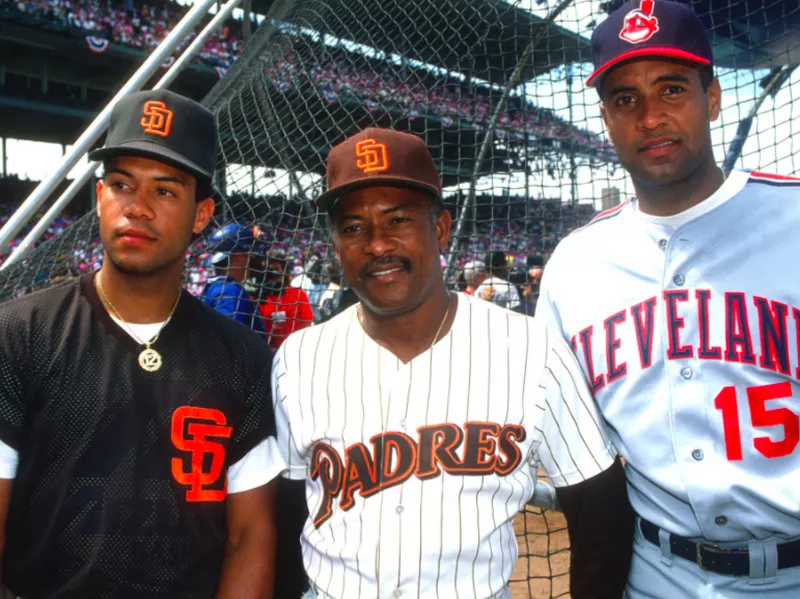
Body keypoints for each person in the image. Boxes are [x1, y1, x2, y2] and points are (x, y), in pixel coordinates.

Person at [271, 127, 634, 599]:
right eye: (354, 227)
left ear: (439, 228)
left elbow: (599, 509)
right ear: (337, 245)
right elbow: (280, 519)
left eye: (397, 220)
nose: (377, 244)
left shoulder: (529, 349)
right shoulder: (297, 360)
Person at [537, 1, 800, 597]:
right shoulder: (575, 266)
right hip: (656, 573)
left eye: (672, 89)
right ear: (606, 118)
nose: (650, 116)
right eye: (625, 99)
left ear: (712, 98)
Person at [0, 90, 283, 598]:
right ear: (100, 195)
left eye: (166, 191)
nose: (138, 208)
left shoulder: (245, 358)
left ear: (201, 215)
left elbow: (250, 535)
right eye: (122, 184)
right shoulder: (18, 332)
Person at [201, 222, 267, 334]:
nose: (253, 258)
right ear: (239, 257)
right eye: (249, 253)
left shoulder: (215, 286)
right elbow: (228, 342)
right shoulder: (229, 292)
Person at [257, 250, 314, 350]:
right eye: (270, 270)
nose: (274, 273)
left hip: (296, 349)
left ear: (284, 271)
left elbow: (307, 324)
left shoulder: (298, 294)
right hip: (270, 351)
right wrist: (271, 330)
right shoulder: (260, 298)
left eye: (277, 269)